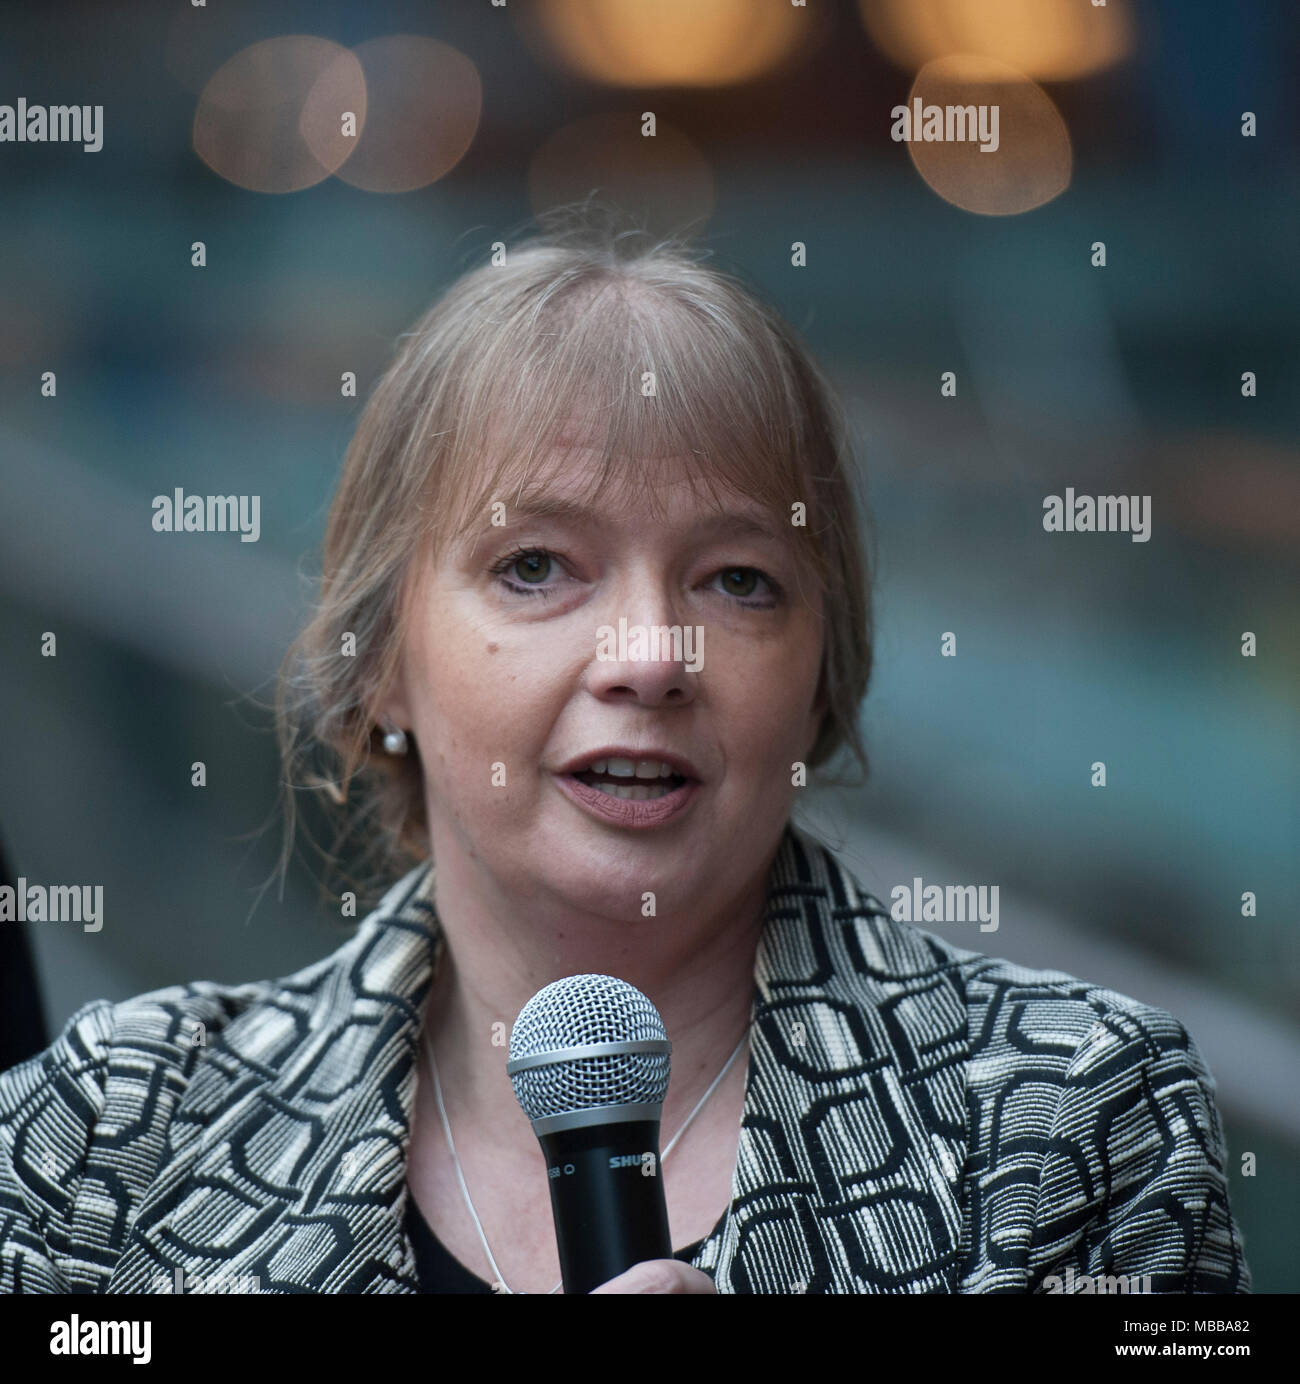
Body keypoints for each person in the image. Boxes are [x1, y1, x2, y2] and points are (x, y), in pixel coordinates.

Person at [0, 214, 1251, 1294]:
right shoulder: (118, 1135)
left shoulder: (1070, 1126)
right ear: (382, 655)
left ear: (821, 675)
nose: (650, 656)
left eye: (737, 580)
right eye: (534, 567)